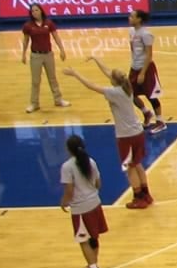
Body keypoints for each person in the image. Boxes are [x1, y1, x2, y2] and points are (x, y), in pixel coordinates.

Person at [65, 58, 153, 209]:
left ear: (114, 81)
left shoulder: (114, 92)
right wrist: (96, 60)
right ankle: (146, 194)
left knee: (130, 167)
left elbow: (92, 86)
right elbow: (109, 73)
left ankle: (138, 197)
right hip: (137, 131)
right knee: (137, 164)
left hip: (126, 135)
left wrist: (76, 74)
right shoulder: (127, 87)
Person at [61, 135, 108, 268]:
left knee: (83, 240)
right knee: (93, 238)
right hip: (95, 203)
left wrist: (64, 202)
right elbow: (98, 183)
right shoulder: (91, 161)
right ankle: (92, 265)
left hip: (81, 208)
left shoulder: (67, 167)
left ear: (69, 149)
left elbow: (69, 189)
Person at [19, 2, 70, 112]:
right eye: (32, 11)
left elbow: (56, 37)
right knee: (35, 80)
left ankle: (58, 99)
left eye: (36, 10)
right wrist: (23, 54)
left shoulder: (48, 23)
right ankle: (34, 104)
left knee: (52, 78)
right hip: (35, 55)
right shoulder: (28, 26)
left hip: (48, 54)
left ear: (41, 10)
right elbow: (26, 40)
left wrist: (62, 50)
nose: (35, 12)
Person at [126, 9, 165, 134]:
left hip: (146, 68)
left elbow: (149, 55)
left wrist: (142, 72)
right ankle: (146, 113)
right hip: (134, 67)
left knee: (151, 96)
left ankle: (160, 122)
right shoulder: (131, 32)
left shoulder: (146, 34)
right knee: (129, 93)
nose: (129, 18)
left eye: (132, 16)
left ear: (139, 19)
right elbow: (133, 51)